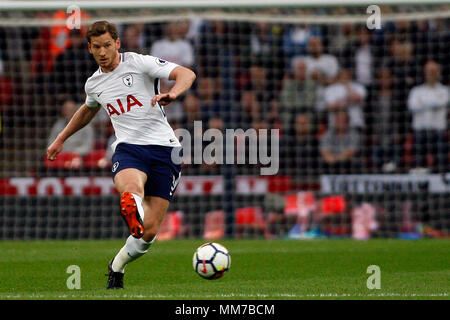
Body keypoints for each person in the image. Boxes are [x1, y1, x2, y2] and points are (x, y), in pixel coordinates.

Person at [46, 21, 196, 289]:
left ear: (117, 43)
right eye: (97, 47)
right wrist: (61, 138)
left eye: (107, 45)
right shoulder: (94, 84)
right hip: (128, 148)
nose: (102, 52)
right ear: (90, 49)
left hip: (166, 149)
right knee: (130, 187)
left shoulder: (139, 63)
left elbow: (186, 73)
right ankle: (132, 204)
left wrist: (173, 92)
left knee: (148, 234)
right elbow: (88, 109)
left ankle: (117, 265)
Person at [407, 61, 449, 173]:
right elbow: (412, 106)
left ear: (438, 73)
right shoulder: (416, 91)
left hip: (438, 131)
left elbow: (443, 102)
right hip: (420, 131)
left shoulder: (445, 90)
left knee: (440, 160)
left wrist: (423, 102)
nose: (431, 74)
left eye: (434, 71)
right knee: (418, 160)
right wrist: (434, 102)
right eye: (429, 71)